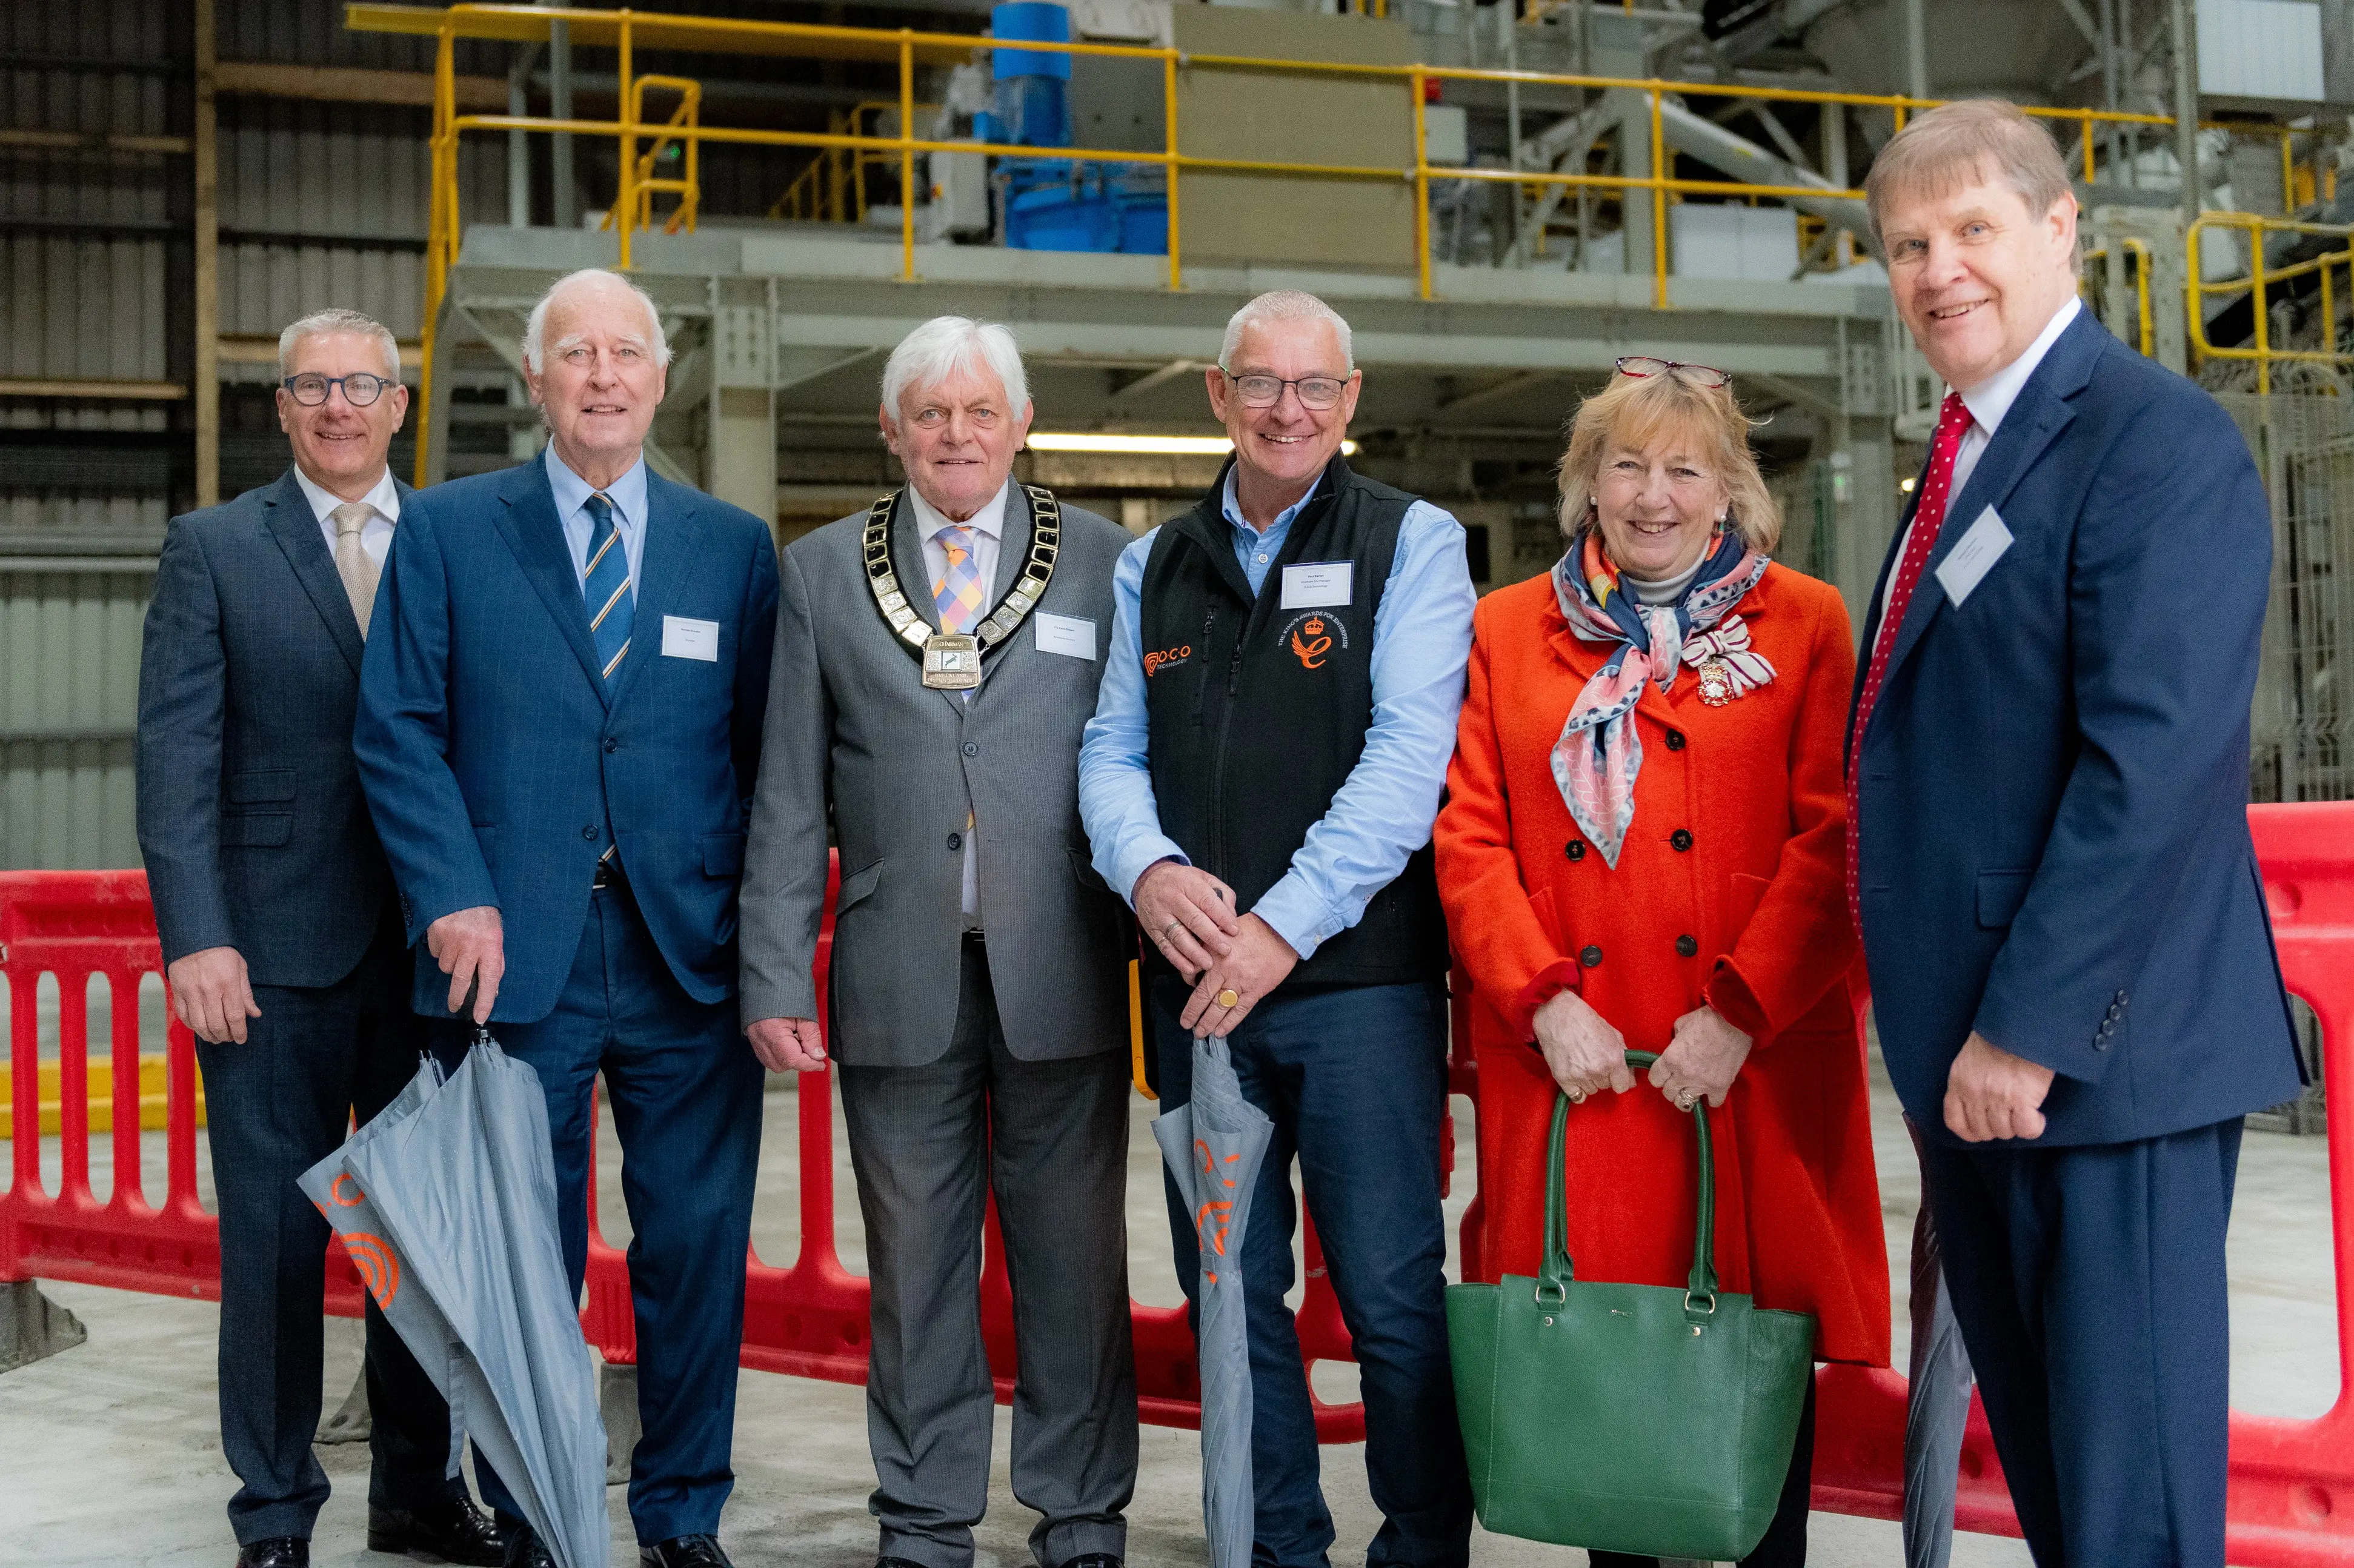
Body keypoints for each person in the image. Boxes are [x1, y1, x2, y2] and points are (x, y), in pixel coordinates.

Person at [1851, 99, 2304, 1566]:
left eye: (1973, 230)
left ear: (2060, 233)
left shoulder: (2151, 442)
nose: (1938, 271)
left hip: (2095, 1065)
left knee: (2131, 1506)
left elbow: (2153, 765)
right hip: (1982, 1062)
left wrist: (2028, 1028)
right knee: (2060, 1485)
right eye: (1908, 245)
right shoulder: (1964, 455)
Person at [353, 268, 780, 1568]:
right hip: (506, 958)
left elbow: (769, 761)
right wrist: (451, 893)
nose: (603, 375)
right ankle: (540, 1501)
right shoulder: (447, 530)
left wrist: (766, 950)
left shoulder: (731, 547)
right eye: (575, 354)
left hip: (683, 956)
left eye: (627, 353)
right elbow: (397, 731)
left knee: (698, 1248)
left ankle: (682, 1512)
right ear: (535, 381)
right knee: (515, 1259)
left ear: (663, 380)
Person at [1433, 358, 1890, 1566]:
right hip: (1579, 1062)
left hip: (1746, 1057)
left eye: (1684, 469)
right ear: (1583, 482)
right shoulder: (1502, 632)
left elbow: (1838, 830)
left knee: (1751, 1354)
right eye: (1625, 465)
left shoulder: (1804, 622)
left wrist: (1739, 1012)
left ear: (1729, 489)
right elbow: (1466, 836)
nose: (1652, 494)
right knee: (1604, 1371)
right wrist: (1543, 1000)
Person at [1077, 288, 1476, 1568]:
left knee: (1394, 1297)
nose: (1287, 410)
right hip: (1196, 998)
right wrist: (1141, 869)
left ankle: (1419, 1546)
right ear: (1218, 393)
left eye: (1315, 387)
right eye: (1261, 384)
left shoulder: (1411, 542)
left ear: (1351, 400)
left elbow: (1410, 760)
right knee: (1231, 1296)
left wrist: (1284, 928)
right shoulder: (1156, 563)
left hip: (1359, 990)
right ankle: (1273, 1545)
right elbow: (1108, 749)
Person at [737, 316, 1139, 1568]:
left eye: (979, 412)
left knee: (1074, 1264)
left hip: (1061, 967)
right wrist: (770, 966)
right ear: (891, 430)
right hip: (895, 970)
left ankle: (1078, 1513)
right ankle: (924, 1515)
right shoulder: (815, 575)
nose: (955, 434)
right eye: (929, 412)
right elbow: (789, 793)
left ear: (1020, 426)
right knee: (913, 1270)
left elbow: (1138, 769)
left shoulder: (1109, 567)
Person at [136, 308, 503, 1568]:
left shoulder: (463, 542)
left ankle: (416, 1488)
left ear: (400, 405)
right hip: (268, 959)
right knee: (279, 1244)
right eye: (311, 388)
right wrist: (198, 935)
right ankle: (277, 1509)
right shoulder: (215, 548)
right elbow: (176, 754)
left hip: (425, 954)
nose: (338, 406)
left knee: (416, 1239)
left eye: (361, 385)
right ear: (281, 410)